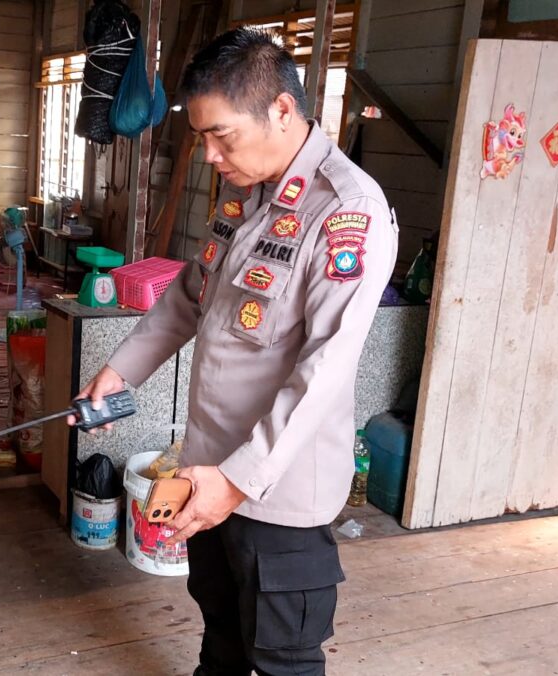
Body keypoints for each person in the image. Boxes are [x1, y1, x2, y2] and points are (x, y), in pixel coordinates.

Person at [74, 29, 397, 675]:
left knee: (282, 656)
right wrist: (120, 368)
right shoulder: (245, 191)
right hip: (206, 470)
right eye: (201, 138)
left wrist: (239, 481)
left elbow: (325, 369)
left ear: (281, 110)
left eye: (223, 135)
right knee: (219, 626)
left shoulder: (345, 213)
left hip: (275, 489)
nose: (211, 154)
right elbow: (193, 293)